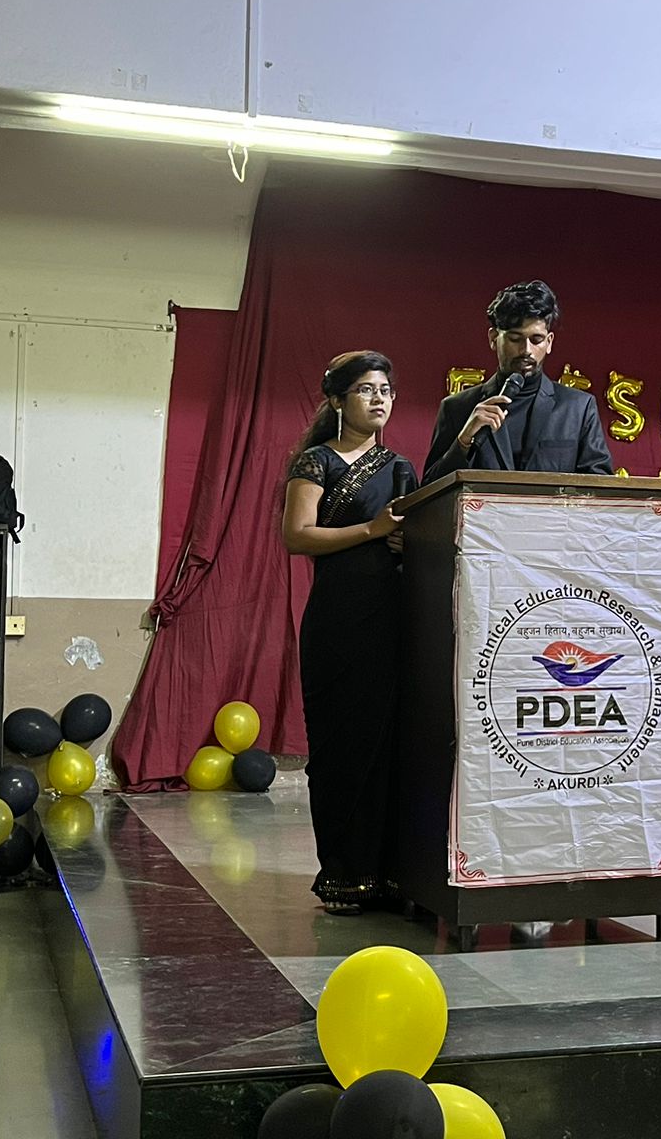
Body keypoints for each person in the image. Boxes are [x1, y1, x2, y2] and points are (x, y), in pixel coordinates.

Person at [282, 350, 419, 914]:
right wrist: (372, 529)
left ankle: (389, 874)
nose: (379, 398)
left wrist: (408, 541)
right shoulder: (317, 462)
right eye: (365, 389)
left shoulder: (400, 468)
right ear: (338, 400)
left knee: (388, 746)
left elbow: (414, 537)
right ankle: (343, 873)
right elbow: (297, 536)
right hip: (338, 623)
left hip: (392, 620)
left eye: (385, 389)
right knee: (340, 747)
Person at [423, 280, 614, 482]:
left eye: (536, 340)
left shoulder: (578, 408)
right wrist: (463, 442)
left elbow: (600, 486)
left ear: (549, 342)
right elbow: (429, 489)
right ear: (493, 338)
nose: (526, 350)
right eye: (515, 339)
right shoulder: (457, 408)